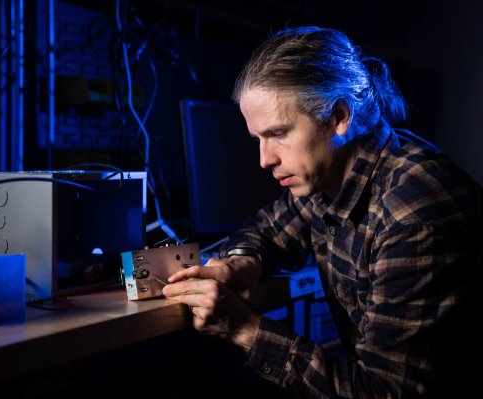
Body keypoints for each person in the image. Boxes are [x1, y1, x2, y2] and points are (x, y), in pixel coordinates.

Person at [163, 25, 482, 398]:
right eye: (258, 139)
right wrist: (241, 263)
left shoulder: (413, 216)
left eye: (279, 133)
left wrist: (245, 330)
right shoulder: (332, 175)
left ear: (339, 117)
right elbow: (268, 229)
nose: (265, 160)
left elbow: (383, 392)